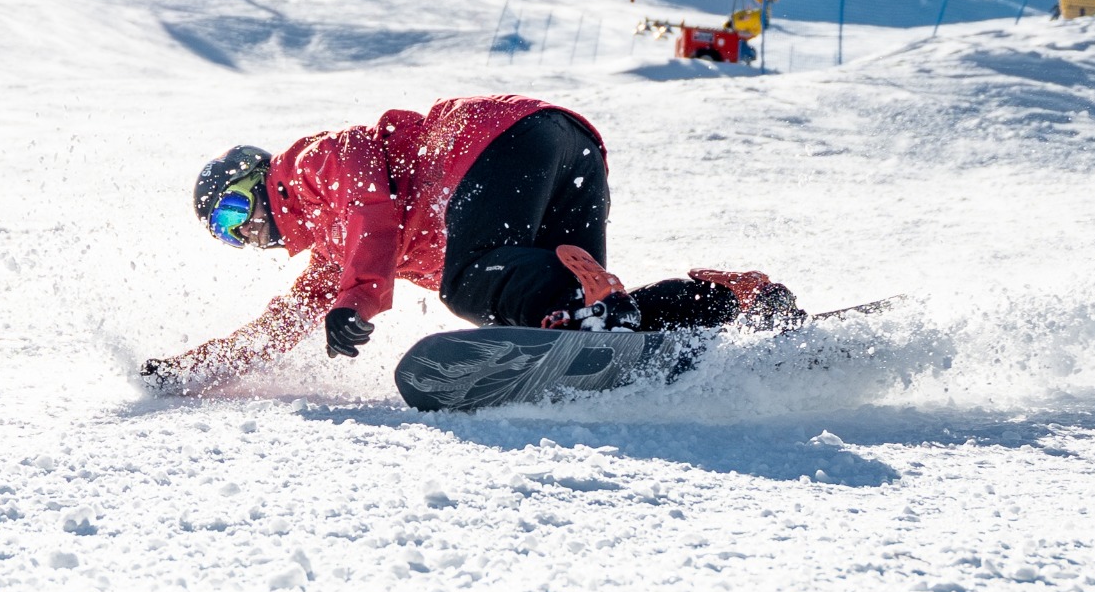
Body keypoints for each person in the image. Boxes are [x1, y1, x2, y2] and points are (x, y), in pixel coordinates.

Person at [141, 94, 794, 389]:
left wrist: (359, 299)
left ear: (260, 179)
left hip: (495, 145)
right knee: (578, 308)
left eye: (234, 209)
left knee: (470, 281)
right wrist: (191, 373)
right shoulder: (337, 256)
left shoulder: (311, 164)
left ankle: (579, 306)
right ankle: (723, 303)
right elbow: (282, 323)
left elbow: (373, 205)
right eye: (227, 234)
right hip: (568, 150)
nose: (245, 232)